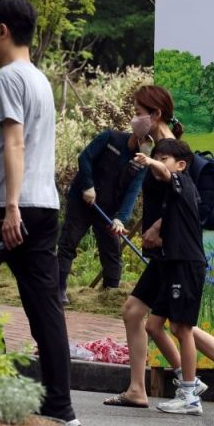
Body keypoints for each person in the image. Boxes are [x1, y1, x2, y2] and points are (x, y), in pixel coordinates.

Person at [0, 0, 79, 426]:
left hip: (6, 209)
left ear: (3, 30)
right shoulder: (39, 80)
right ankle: (61, 407)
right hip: (42, 206)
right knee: (45, 309)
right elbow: (12, 154)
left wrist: (7, 206)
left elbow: (14, 144)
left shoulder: (7, 78)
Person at [103, 85, 214, 415]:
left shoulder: (173, 158)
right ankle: (147, 387)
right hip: (166, 255)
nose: (134, 118)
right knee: (140, 315)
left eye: (139, 112)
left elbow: (185, 201)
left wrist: (158, 228)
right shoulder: (156, 150)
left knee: (179, 325)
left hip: (175, 254)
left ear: (156, 114)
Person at [133, 139, 206, 415]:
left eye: (165, 158)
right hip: (171, 264)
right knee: (153, 325)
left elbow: (165, 172)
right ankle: (189, 381)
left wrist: (150, 161)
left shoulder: (182, 182)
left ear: (181, 165)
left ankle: (189, 395)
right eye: (157, 157)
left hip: (187, 265)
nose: (159, 163)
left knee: (181, 329)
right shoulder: (170, 193)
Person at [56, 125, 146, 302]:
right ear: (138, 134)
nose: (148, 145)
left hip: (108, 210)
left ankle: (110, 294)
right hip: (82, 201)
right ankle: (58, 290)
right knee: (68, 242)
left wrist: (121, 218)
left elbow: (133, 190)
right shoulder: (110, 137)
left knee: (112, 251)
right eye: (146, 140)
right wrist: (88, 185)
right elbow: (85, 158)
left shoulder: (142, 161)